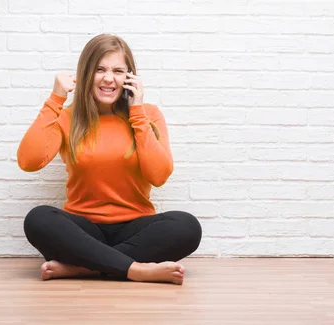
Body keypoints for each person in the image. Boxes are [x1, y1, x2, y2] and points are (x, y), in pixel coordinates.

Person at [17, 34, 202, 285]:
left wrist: (136, 111)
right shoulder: (68, 117)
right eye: (99, 69)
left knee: (187, 226)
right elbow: (29, 161)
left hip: (135, 228)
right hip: (83, 231)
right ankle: (135, 270)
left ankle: (85, 268)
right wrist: (55, 99)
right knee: (38, 219)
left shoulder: (148, 115)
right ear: (85, 74)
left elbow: (159, 176)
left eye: (118, 70)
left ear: (129, 77)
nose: (108, 78)